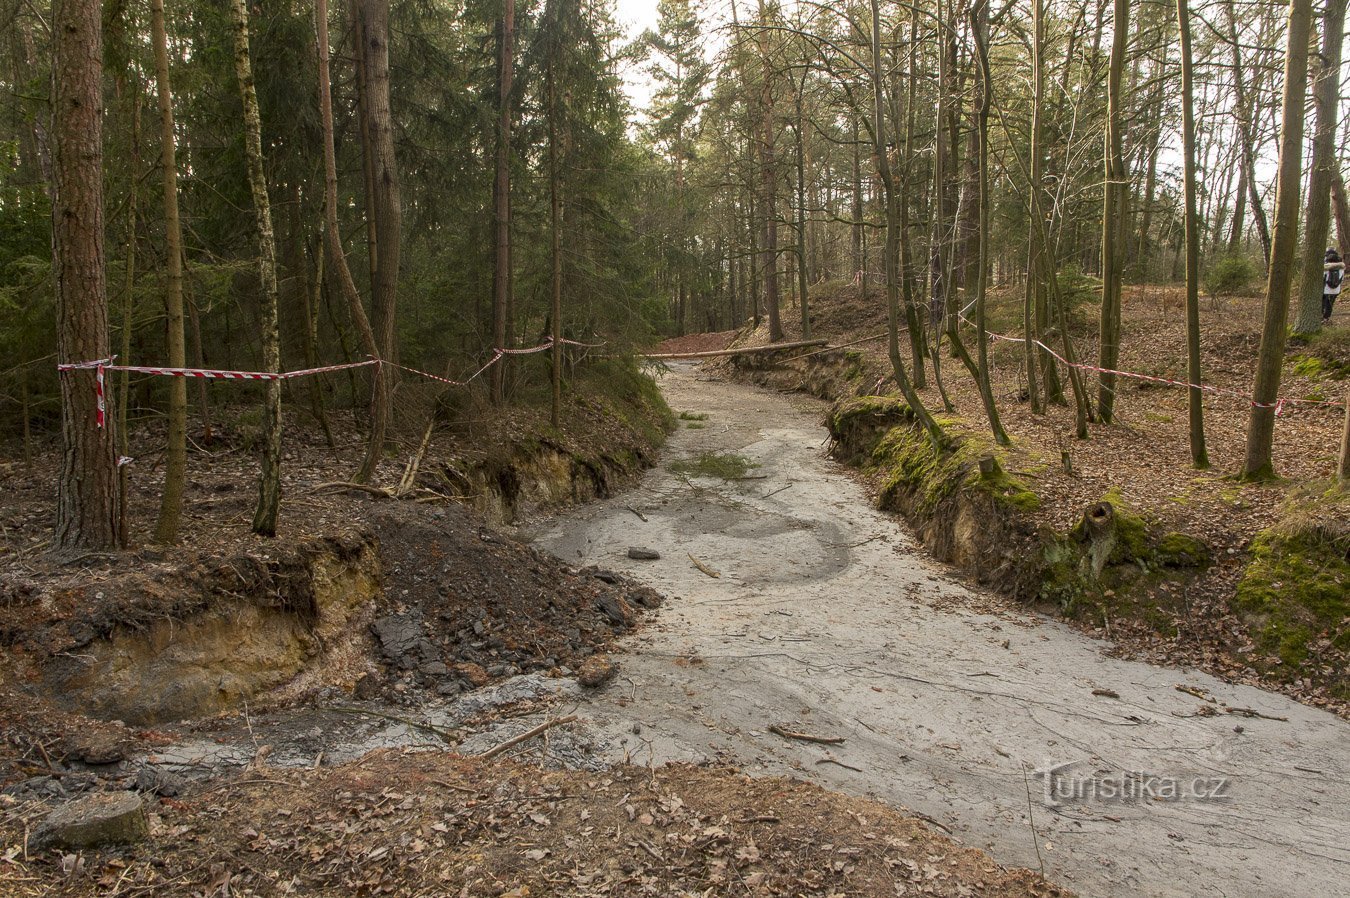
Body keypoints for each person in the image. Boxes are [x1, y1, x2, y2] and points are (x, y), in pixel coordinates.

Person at [1324, 248, 1345, 323]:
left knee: (1324, 304)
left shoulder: (1325, 268)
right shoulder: (1341, 268)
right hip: (1336, 290)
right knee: (1330, 304)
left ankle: (1323, 318)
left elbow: (1323, 279)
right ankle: (1326, 318)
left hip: (1326, 290)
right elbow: (1342, 279)